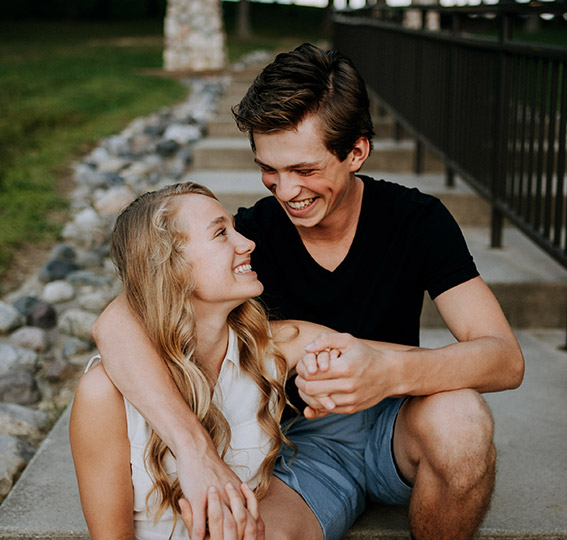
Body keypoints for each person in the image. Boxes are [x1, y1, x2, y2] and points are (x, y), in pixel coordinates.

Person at [92, 44, 524, 540]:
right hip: (298, 447)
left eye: (305, 170)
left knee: (463, 420)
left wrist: (389, 373)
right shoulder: (253, 236)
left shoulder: (417, 221)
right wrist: (195, 451)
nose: (285, 190)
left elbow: (504, 358)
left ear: (356, 151)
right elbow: (116, 319)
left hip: (399, 422)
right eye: (269, 169)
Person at [70, 182, 357, 539]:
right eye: (221, 233)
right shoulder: (103, 394)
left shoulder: (274, 348)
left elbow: (388, 363)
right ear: (171, 265)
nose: (247, 243)